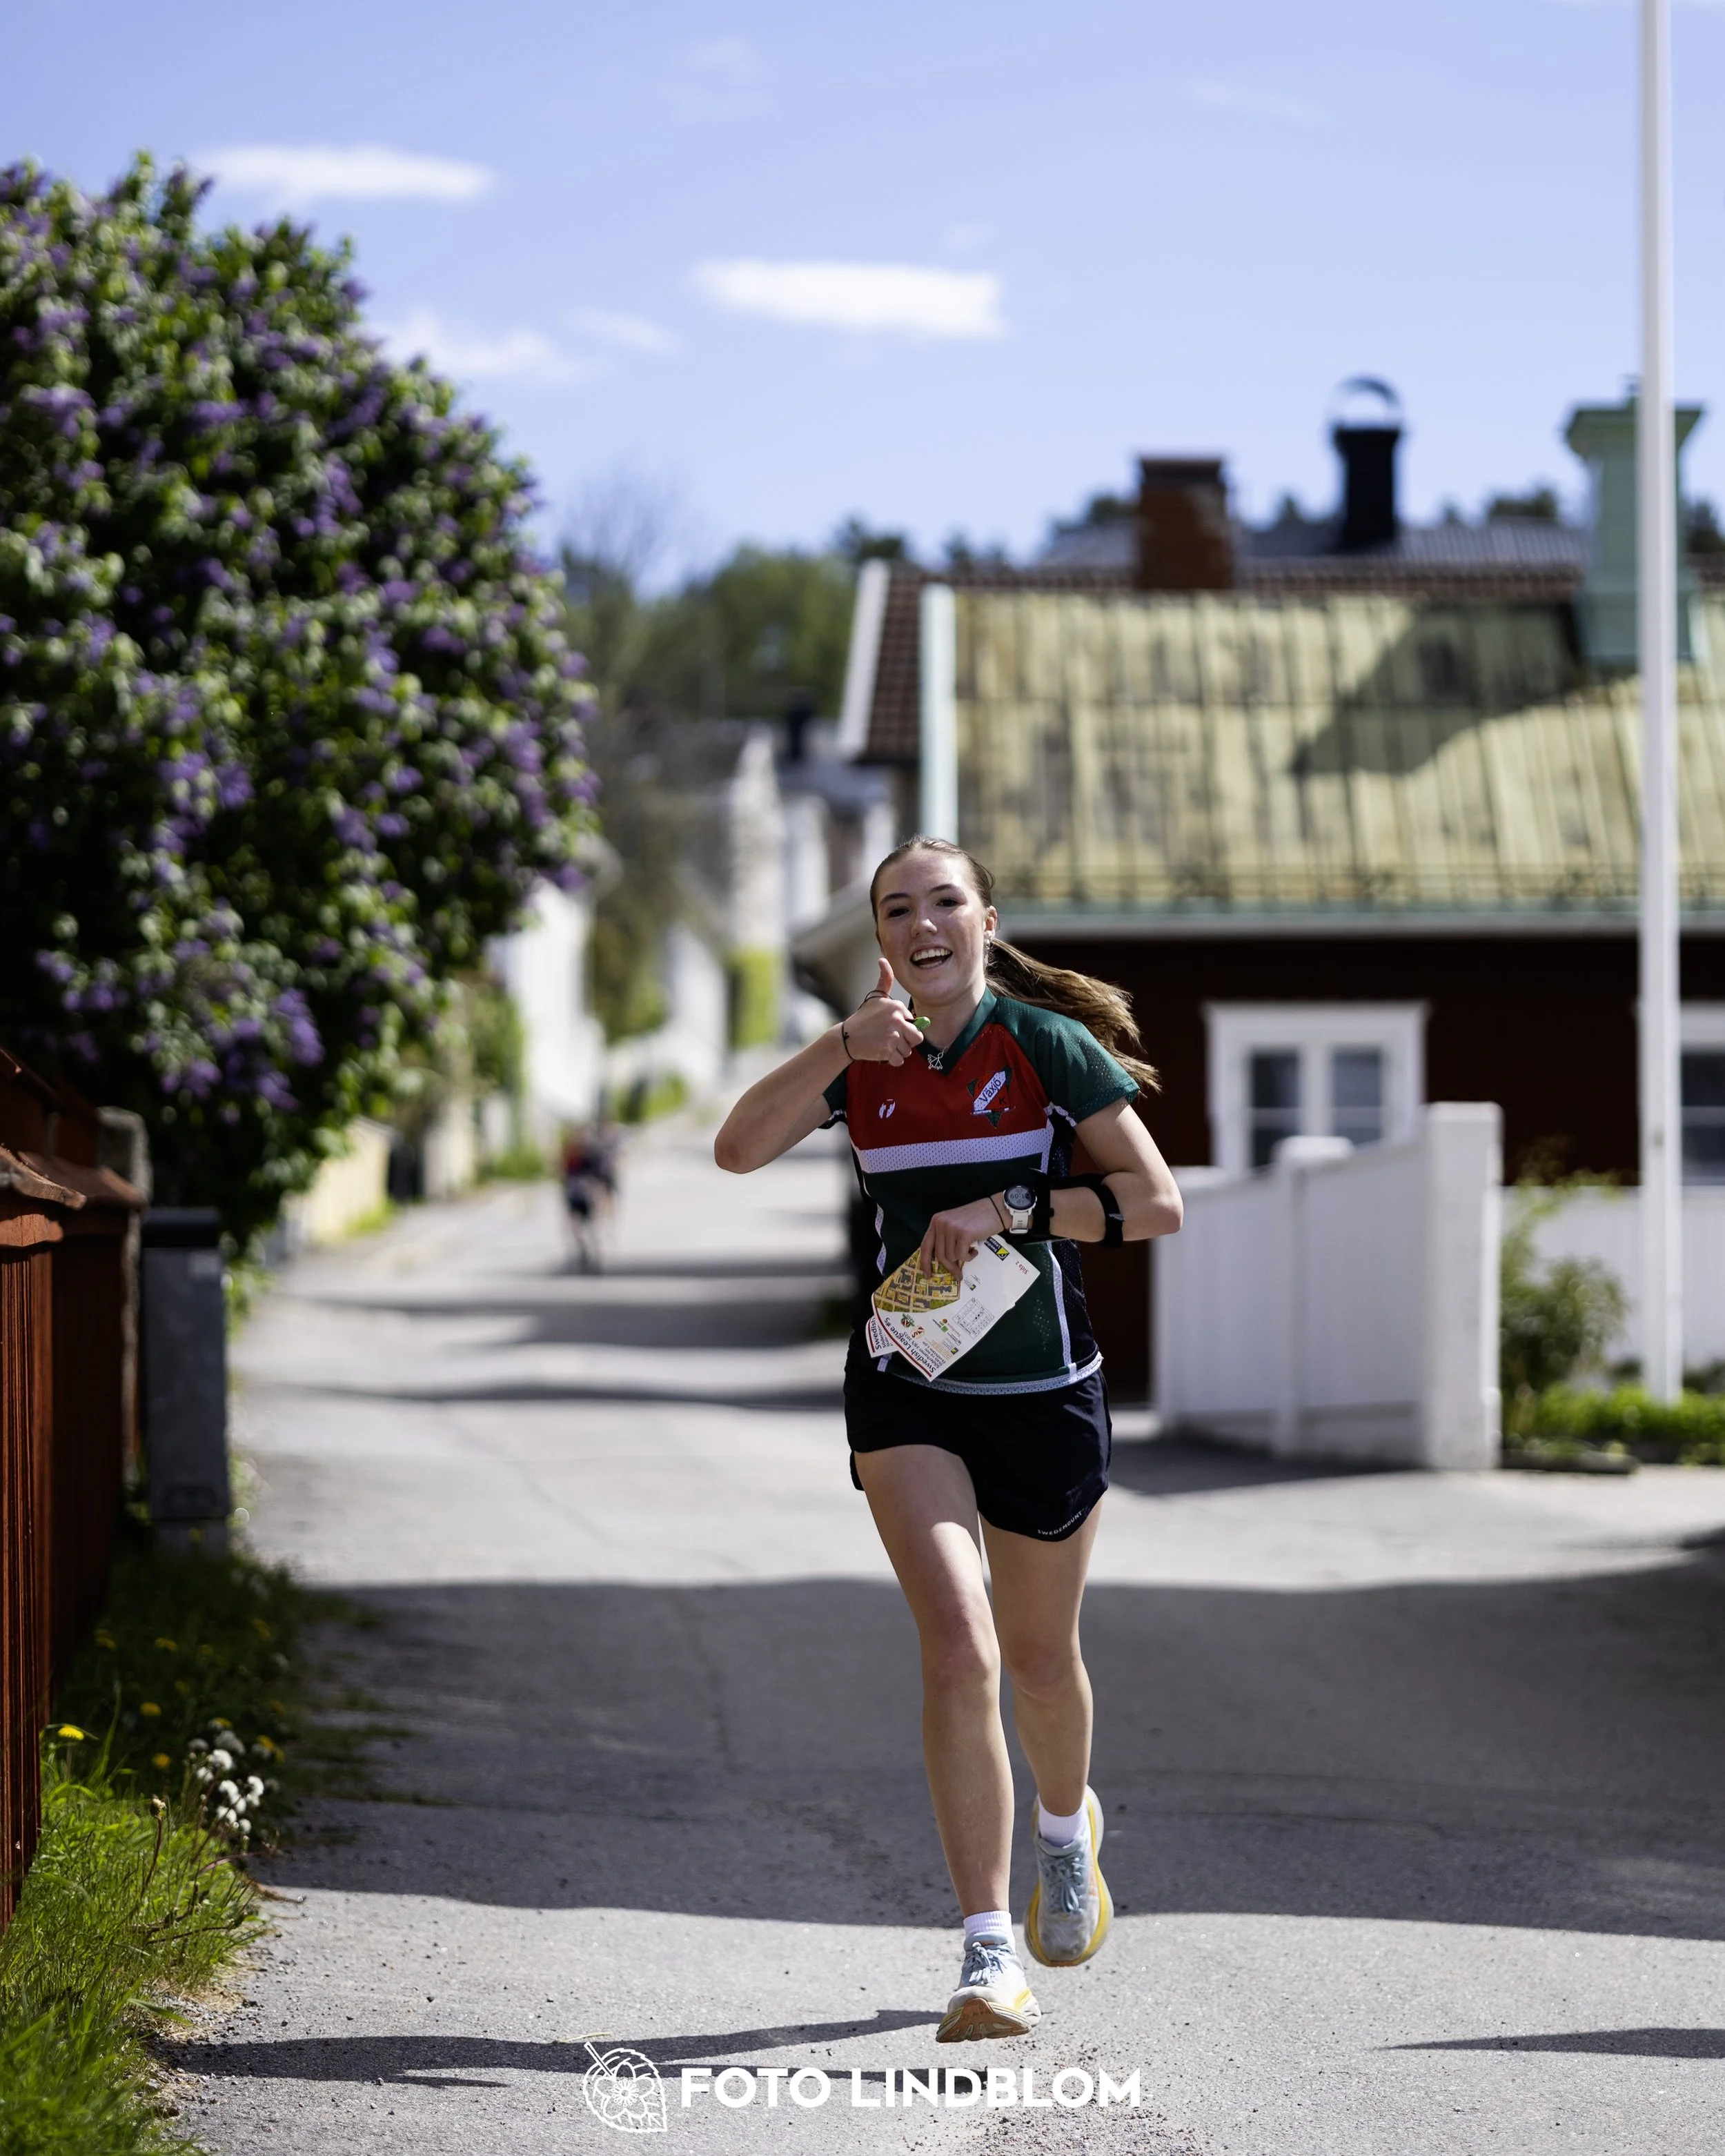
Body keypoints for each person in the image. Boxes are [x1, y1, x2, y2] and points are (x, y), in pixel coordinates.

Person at [713, 836, 1183, 2044]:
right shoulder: (864, 1057)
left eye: (944, 902)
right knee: (960, 1649)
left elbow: (1154, 1204)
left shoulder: (1045, 1046)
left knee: (1039, 1660)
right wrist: (839, 1045)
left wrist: (1014, 1207)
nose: (922, 924)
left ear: (985, 922)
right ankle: (986, 1952)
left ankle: (1066, 1834)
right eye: (896, 909)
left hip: (1043, 1389)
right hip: (908, 1382)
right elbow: (737, 1147)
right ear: (879, 937)